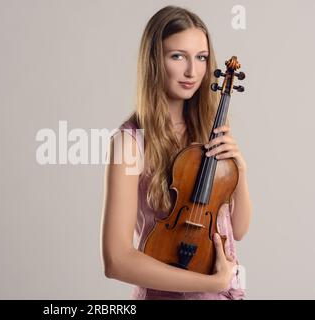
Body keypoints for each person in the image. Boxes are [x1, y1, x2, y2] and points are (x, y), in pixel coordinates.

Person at [100, 5, 252, 300]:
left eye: (201, 58)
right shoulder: (129, 143)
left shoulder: (210, 129)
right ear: (155, 61)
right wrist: (212, 283)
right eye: (177, 56)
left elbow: (239, 229)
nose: (192, 71)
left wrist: (240, 171)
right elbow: (116, 260)